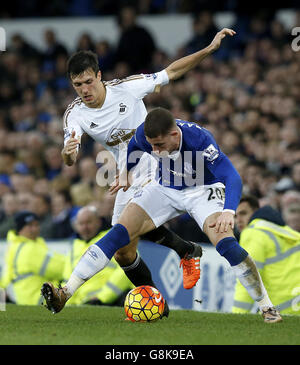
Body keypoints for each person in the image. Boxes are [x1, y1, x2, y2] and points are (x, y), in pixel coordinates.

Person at [42, 108, 281, 323]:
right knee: (119, 237)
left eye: (158, 145)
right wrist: (126, 170)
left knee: (225, 243)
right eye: (151, 145)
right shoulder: (144, 137)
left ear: (174, 136)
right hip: (164, 187)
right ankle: (65, 293)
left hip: (203, 190)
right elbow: (135, 146)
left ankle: (267, 308)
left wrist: (229, 211)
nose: (154, 150)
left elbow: (232, 176)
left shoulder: (200, 140)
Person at [57, 28, 236, 307]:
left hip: (157, 161)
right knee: (123, 252)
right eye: (77, 84)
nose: (84, 90)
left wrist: (210, 49)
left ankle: (67, 291)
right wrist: (68, 154)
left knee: (125, 229)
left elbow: (172, 72)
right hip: (127, 170)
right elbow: (70, 155)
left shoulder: (127, 88)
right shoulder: (75, 114)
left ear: (99, 75)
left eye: (88, 82)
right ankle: (159, 299)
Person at [233, 195, 300, 315]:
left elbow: (249, 280)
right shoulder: (285, 231)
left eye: (243, 213)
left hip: (284, 310)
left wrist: (236, 315)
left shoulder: (252, 233)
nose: (238, 220)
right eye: (235, 216)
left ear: (255, 212)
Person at [63, 205, 134, 306]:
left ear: (98, 222)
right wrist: (68, 304)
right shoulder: (73, 248)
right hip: (85, 305)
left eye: (88, 222)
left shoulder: (113, 238)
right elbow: (67, 279)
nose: (85, 227)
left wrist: (102, 297)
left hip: (114, 301)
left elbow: (126, 270)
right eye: (81, 223)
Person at [1, 211, 65, 305]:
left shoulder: (15, 245)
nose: (34, 229)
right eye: (30, 225)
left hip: (24, 299)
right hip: (38, 300)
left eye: (36, 225)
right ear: (20, 229)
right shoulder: (29, 248)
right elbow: (60, 268)